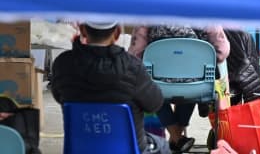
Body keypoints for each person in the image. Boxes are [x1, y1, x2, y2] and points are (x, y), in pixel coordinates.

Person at [50, 22, 170, 154]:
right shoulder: (133, 67)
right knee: (163, 145)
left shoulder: (63, 64)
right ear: (117, 33)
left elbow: (58, 96)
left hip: (81, 149)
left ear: (83, 31)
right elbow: (154, 103)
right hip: (130, 149)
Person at [129, 25, 230, 153]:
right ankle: (177, 139)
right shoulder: (205, 12)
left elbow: (135, 54)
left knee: (151, 89)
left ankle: (176, 138)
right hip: (196, 86)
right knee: (192, 81)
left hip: (158, 86)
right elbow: (222, 51)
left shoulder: (149, 15)